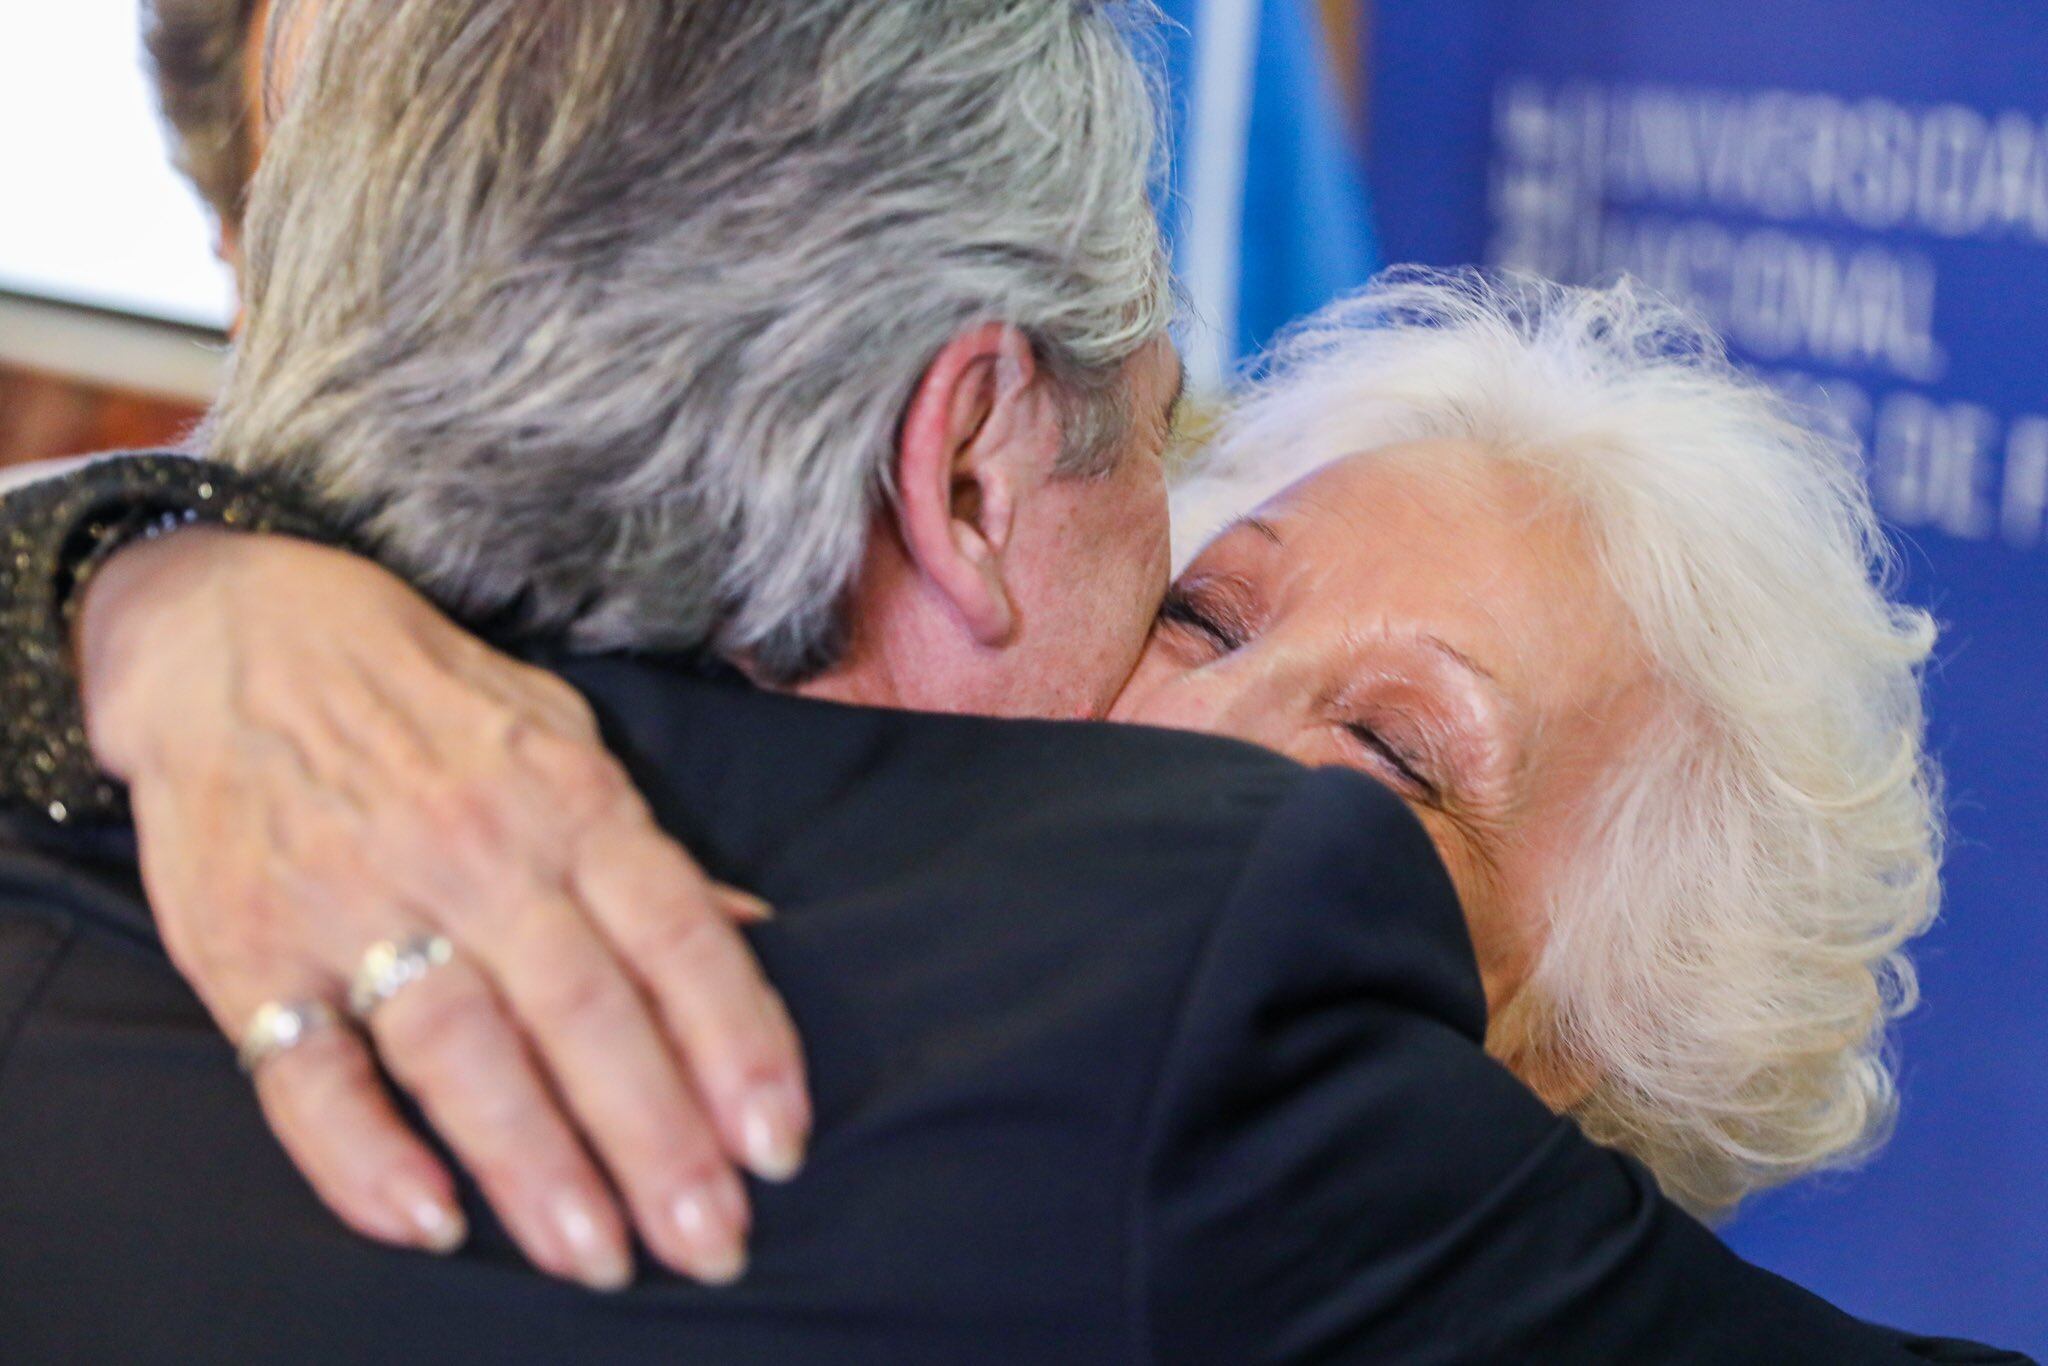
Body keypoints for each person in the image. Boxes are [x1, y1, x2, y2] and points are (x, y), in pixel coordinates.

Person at [0, 0, 2023, 1361]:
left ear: (1590, 1090)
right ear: (968, 469)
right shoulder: (1162, 1030)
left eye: (1393, 753)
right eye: (1201, 601)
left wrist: (140, 579)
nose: (1211, 742)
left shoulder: (118, 754)